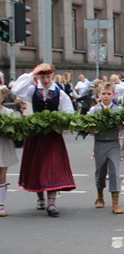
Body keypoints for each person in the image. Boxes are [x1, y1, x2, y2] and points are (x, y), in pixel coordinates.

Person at [11, 63, 76, 217]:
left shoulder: (59, 93)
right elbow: (16, 90)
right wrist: (32, 73)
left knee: (52, 166)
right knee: (37, 165)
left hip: (52, 135)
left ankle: (51, 203)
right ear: (38, 77)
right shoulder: (33, 90)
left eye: (47, 77)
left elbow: (69, 112)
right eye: (42, 77)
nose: (45, 80)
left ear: (52, 76)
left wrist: (59, 123)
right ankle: (40, 197)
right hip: (36, 134)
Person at [88, 83, 124, 214]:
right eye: (103, 94)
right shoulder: (94, 110)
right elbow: (89, 129)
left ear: (113, 95)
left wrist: (120, 125)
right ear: (99, 95)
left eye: (109, 94)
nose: (106, 96)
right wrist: (93, 128)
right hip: (99, 144)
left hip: (113, 144)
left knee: (114, 171)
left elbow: (123, 128)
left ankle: (115, 203)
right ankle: (100, 196)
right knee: (100, 171)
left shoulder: (119, 110)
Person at [0, 86, 19, 216]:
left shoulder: (8, 112)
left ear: (3, 96)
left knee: (2, 175)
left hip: (4, 145)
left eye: (0, 94)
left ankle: (1, 206)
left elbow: (15, 131)